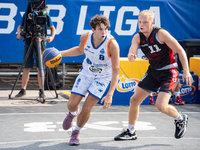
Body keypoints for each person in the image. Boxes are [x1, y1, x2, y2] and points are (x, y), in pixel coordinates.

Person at [114, 10, 193, 141]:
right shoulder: (137, 37)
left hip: (169, 72)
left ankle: (180, 118)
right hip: (153, 71)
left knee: (161, 106)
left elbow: (179, 50)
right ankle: (131, 131)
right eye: (140, 22)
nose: (141, 24)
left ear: (152, 23)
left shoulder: (161, 34)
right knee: (134, 100)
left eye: (145, 22)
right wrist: (131, 55)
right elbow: (132, 49)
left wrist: (186, 70)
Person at [60, 15, 120, 146]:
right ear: (93, 30)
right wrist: (61, 54)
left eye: (106, 29)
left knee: (87, 108)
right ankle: (71, 114)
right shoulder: (85, 37)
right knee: (71, 104)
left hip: (103, 77)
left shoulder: (112, 45)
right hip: (86, 73)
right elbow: (80, 50)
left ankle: (76, 132)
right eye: (100, 29)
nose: (104, 32)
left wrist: (110, 94)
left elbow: (116, 71)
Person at [15, 0, 56, 98]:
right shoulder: (27, 15)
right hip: (29, 42)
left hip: (41, 42)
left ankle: (41, 91)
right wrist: (19, 33)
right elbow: (20, 27)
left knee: (40, 68)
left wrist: (52, 37)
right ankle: (23, 90)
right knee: (26, 68)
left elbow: (52, 27)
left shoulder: (45, 15)